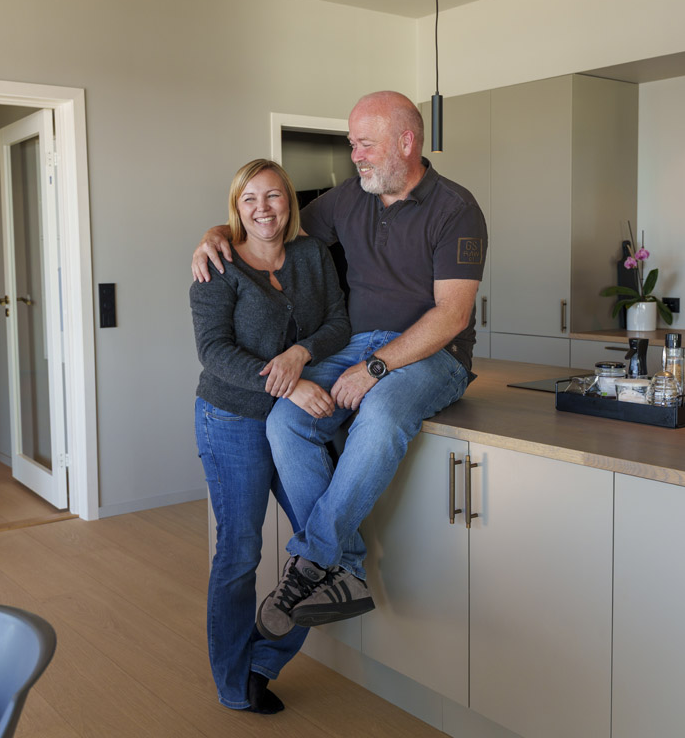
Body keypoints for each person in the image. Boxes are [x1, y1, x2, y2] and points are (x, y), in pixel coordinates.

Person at [193, 91, 487, 642]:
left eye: (365, 144)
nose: (355, 156)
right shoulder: (350, 196)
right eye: (352, 144)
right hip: (355, 346)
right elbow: (269, 220)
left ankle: (313, 560)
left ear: (406, 142)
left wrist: (375, 367)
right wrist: (216, 234)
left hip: (432, 355)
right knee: (287, 418)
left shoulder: (456, 209)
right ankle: (345, 568)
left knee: (382, 413)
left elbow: (452, 315)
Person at [190, 159, 349, 714]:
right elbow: (213, 352)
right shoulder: (218, 264)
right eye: (250, 198)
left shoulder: (312, 255)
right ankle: (234, 684)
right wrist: (290, 385)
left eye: (274, 196)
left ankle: (263, 660)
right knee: (240, 552)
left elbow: (339, 322)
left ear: (290, 202)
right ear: (236, 207)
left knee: (322, 544)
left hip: (294, 425)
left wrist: (301, 353)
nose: (263, 209)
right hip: (232, 419)